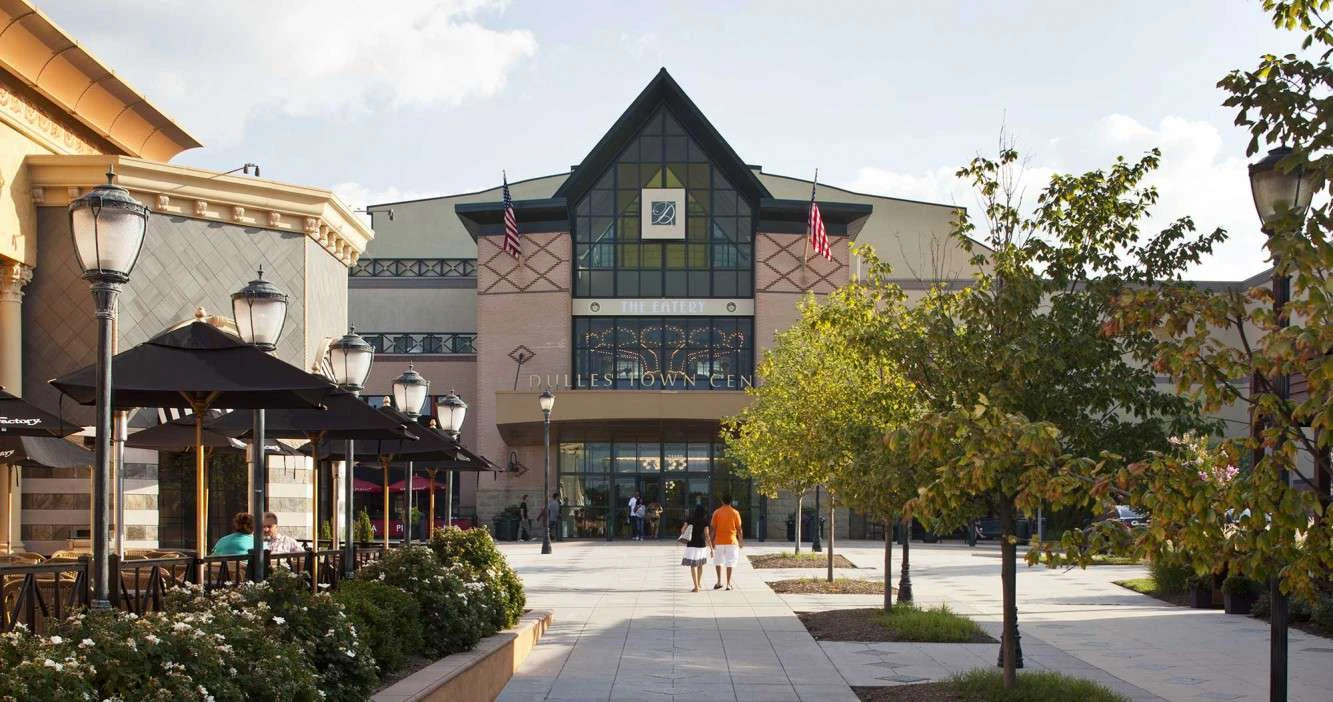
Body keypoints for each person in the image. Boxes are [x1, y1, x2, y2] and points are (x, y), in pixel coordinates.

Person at [709, 494, 743, 590]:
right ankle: (728, 584)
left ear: (722, 501)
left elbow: (713, 528)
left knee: (718, 562)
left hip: (719, 541)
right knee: (730, 563)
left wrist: (711, 541)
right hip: (732, 541)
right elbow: (739, 529)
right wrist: (741, 541)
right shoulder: (735, 513)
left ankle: (719, 582)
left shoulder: (716, 512)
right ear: (731, 501)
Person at [681, 504, 711, 592]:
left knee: (693, 565)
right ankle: (699, 583)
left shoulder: (689, 519)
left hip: (691, 544)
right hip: (701, 545)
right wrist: (711, 548)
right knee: (700, 564)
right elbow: (707, 535)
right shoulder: (705, 521)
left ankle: (696, 586)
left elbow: (682, 530)